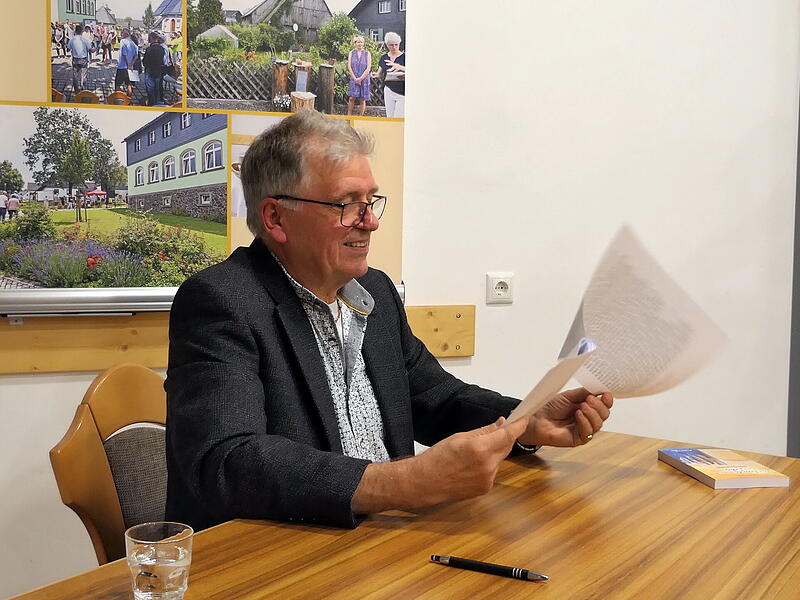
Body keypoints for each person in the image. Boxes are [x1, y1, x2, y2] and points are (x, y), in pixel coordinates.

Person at [165, 110, 614, 532]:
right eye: (347, 204)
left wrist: (526, 421)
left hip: (384, 545)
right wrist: (403, 483)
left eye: (370, 202)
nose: (371, 223)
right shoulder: (222, 301)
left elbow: (434, 396)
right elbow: (227, 460)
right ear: (275, 217)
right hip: (282, 558)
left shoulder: (375, 292)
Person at [372, 32, 405, 118]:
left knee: (399, 116)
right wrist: (375, 74)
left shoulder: (405, 57)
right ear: (387, 45)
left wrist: (400, 67)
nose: (394, 47)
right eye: (391, 45)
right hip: (389, 90)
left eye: (396, 44)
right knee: (390, 117)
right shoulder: (384, 57)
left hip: (402, 91)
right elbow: (379, 73)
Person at [347, 36, 371, 116]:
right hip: (354, 78)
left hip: (364, 79)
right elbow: (349, 66)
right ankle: (349, 116)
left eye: (361, 42)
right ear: (355, 43)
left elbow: (368, 68)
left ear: (363, 43)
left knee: (362, 99)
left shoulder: (367, 53)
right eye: (358, 42)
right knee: (351, 98)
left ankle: (360, 117)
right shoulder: (351, 53)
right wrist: (355, 78)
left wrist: (360, 79)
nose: (359, 44)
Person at [142, 32, 165, 106]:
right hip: (158, 71)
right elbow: (162, 61)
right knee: (157, 89)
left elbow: (145, 62)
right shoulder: (162, 49)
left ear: (151, 38)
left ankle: (151, 104)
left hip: (150, 71)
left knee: (150, 90)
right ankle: (157, 103)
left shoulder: (149, 49)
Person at [67, 24, 91, 93]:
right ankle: (83, 90)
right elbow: (90, 50)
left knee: (75, 76)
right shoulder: (85, 40)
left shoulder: (72, 39)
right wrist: (94, 49)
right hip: (83, 60)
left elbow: (68, 49)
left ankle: (76, 91)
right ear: (81, 31)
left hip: (75, 59)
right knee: (83, 75)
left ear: (75, 31)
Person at [115, 29, 138, 97]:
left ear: (125, 34)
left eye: (122, 33)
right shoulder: (133, 43)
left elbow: (124, 54)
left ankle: (118, 97)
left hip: (122, 66)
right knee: (129, 84)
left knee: (118, 84)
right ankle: (129, 98)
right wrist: (131, 64)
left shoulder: (123, 41)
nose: (121, 35)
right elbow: (136, 56)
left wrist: (128, 64)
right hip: (130, 68)